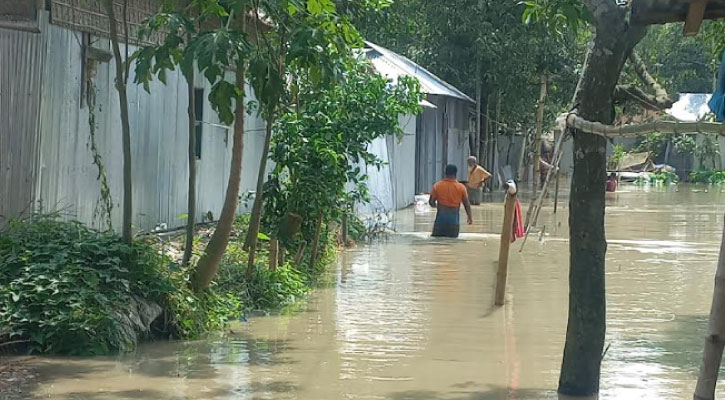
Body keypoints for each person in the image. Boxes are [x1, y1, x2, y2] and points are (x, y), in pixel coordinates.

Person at [429, 164, 473, 238]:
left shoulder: (437, 186)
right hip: (454, 222)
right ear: (456, 173)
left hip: (440, 221)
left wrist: (437, 206)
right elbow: (466, 204)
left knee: (436, 242)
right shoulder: (461, 187)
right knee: (452, 243)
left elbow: (431, 202)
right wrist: (470, 217)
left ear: (445, 173)